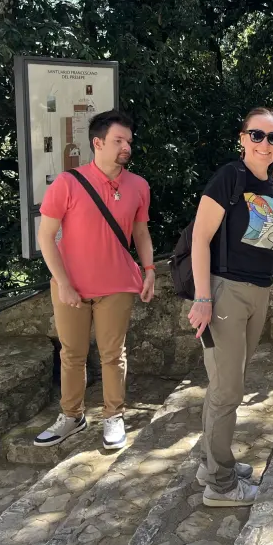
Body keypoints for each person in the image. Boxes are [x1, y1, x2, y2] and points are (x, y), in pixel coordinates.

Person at [187, 108, 273, 506]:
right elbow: (200, 239)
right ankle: (220, 484)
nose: (265, 144)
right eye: (257, 135)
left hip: (259, 293)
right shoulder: (229, 178)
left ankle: (209, 462)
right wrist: (202, 298)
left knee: (227, 385)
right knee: (227, 390)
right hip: (225, 293)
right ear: (242, 138)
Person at [35, 110, 155, 450]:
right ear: (97, 143)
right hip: (69, 285)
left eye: (128, 141)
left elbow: (141, 232)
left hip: (116, 283)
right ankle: (71, 416)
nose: (126, 147)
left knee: (113, 353)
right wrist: (64, 283)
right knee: (71, 353)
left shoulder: (138, 186)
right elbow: (46, 237)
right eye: (118, 141)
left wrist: (149, 271)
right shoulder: (67, 183)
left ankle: (113, 416)